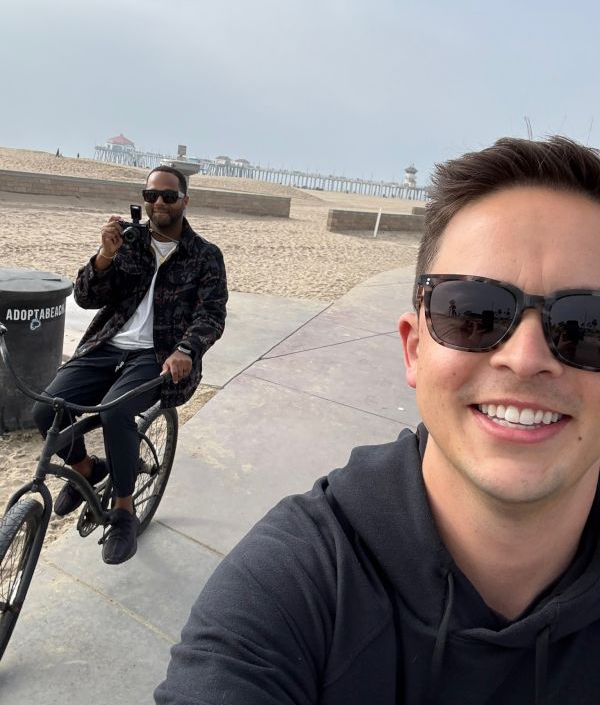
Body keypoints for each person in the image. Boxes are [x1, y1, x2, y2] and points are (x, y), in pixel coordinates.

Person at [155, 136, 600, 703]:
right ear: (414, 350)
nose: (526, 357)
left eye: (588, 325)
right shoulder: (295, 582)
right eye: (473, 313)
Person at [33, 165, 227, 565]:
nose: (159, 202)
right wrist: (105, 255)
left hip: (158, 355)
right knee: (45, 409)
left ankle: (124, 511)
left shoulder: (206, 255)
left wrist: (186, 349)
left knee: (116, 411)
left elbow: (211, 314)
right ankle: (86, 469)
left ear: (185, 201)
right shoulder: (130, 243)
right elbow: (87, 298)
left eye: (169, 196)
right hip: (107, 344)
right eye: (151, 195)